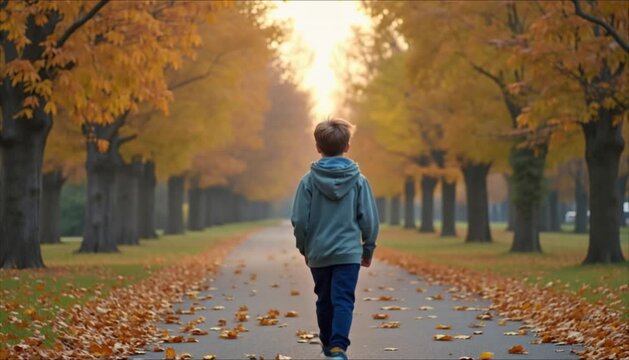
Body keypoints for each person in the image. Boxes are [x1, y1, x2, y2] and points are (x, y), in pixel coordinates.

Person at [291, 118, 379, 360]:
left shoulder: (308, 181)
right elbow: (369, 220)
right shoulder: (359, 182)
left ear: (318, 147)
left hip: (318, 252)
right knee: (343, 299)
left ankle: (329, 344)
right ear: (347, 146)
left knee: (324, 300)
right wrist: (368, 249)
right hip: (349, 253)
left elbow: (299, 220)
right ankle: (339, 348)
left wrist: (304, 248)